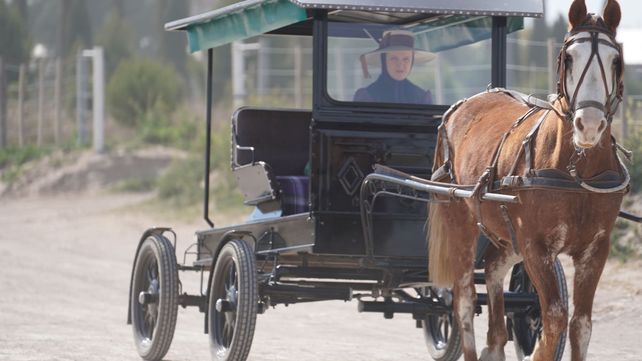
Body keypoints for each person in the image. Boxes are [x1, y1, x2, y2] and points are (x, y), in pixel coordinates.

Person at [354, 30, 435, 104]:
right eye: (394, 59)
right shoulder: (367, 96)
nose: (400, 65)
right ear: (384, 60)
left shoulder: (422, 97)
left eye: (406, 59)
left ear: (412, 61)